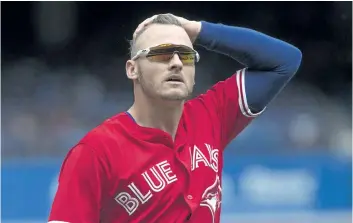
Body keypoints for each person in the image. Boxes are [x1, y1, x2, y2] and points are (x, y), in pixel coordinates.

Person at [48, 13, 302, 223]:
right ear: (132, 69)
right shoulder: (96, 151)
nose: (177, 63)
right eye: (161, 54)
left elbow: (285, 61)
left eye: (187, 55)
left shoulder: (211, 115)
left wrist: (199, 30)